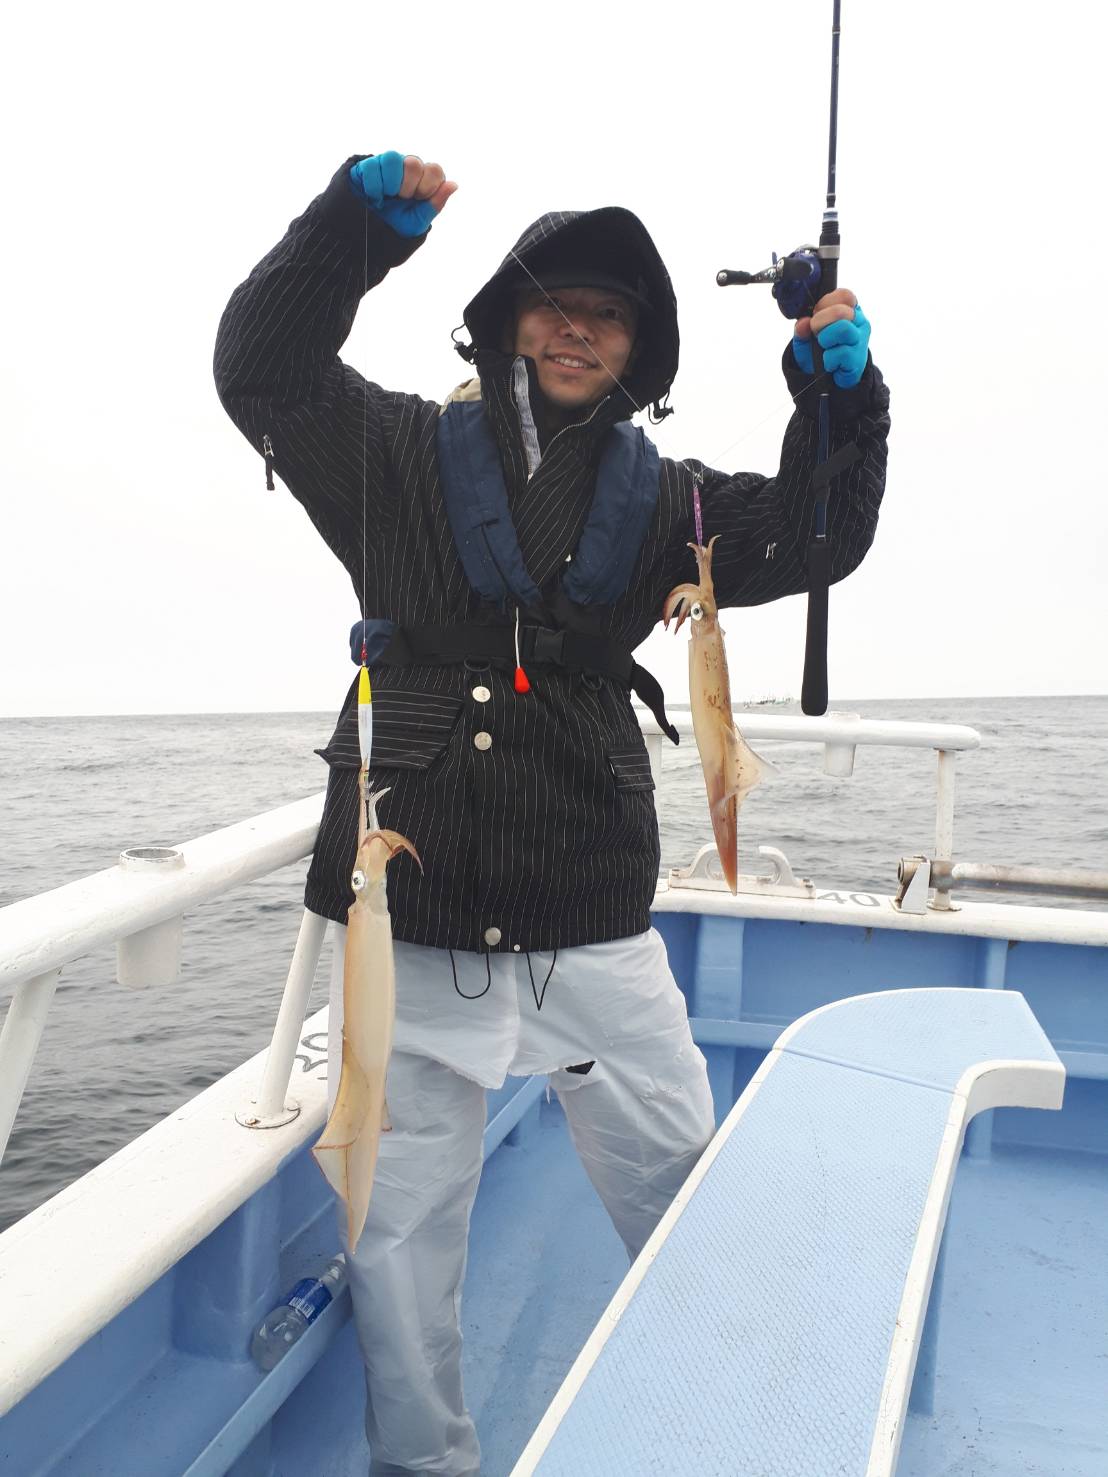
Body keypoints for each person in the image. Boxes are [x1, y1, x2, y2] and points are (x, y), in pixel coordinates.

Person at [214, 151, 890, 1476]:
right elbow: (261, 368)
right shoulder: (391, 453)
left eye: (611, 314)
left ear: (641, 350)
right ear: (504, 321)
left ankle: (734, 1423)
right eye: (555, 303)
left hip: (591, 907)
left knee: (681, 1174)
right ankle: (425, 1461)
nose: (580, 327)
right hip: (411, 915)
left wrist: (839, 395)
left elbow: (820, 534)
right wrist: (350, 233)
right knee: (400, 1233)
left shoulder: (676, 502)